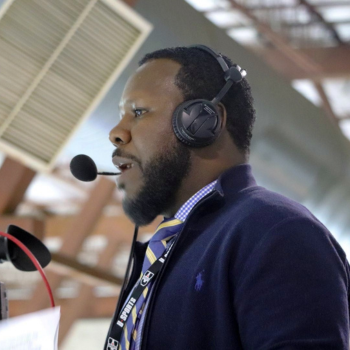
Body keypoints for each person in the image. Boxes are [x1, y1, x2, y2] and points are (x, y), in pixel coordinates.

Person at [105, 45, 350, 350]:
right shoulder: (165, 253)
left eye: (138, 111)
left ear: (200, 122)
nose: (116, 132)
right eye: (121, 116)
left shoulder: (277, 231)